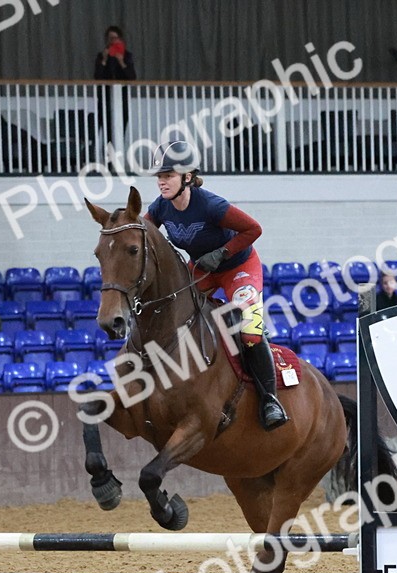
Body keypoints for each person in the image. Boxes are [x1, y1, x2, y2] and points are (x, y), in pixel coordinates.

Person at [141, 140, 286, 430]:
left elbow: (253, 229)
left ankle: (270, 400)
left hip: (238, 267)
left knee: (250, 330)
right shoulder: (160, 208)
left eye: (167, 175)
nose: (161, 181)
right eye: (159, 176)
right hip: (203, 270)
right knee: (174, 309)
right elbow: (144, 236)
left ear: (187, 177)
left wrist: (222, 253)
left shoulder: (211, 205)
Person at [94, 25, 137, 135]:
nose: (112, 41)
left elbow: (132, 78)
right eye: (110, 38)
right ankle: (108, 152)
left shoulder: (127, 56)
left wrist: (122, 62)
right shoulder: (101, 55)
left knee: (120, 131)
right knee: (107, 132)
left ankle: (118, 152)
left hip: (121, 99)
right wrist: (104, 60)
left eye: (115, 38)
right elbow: (97, 77)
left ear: (120, 39)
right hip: (105, 99)